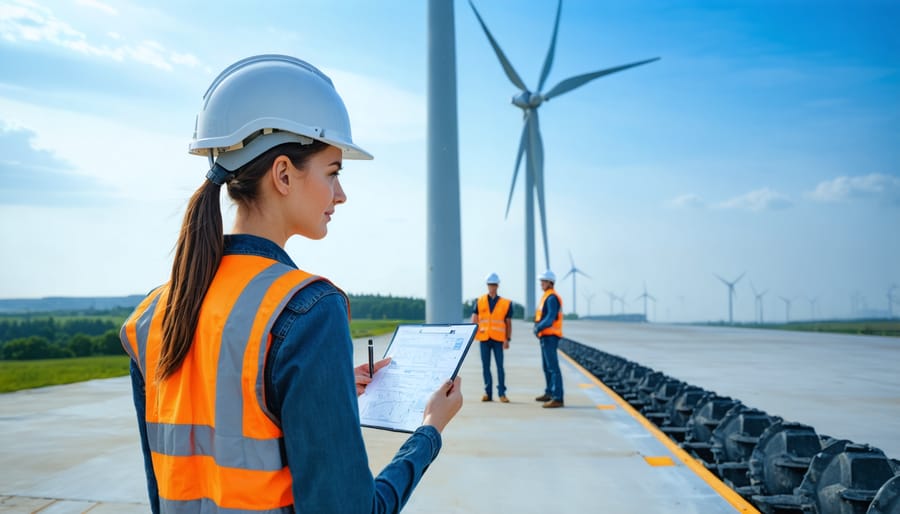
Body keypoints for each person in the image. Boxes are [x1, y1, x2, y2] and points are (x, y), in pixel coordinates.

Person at [119, 55, 463, 514]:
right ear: (283, 174)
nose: (341, 195)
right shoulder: (307, 309)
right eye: (333, 172)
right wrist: (428, 433)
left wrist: (324, 386)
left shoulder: (154, 314)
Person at [470, 272, 512, 402]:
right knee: (485, 366)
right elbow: (474, 319)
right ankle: (488, 393)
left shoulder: (505, 303)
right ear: (487, 285)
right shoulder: (480, 301)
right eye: (490, 285)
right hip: (484, 339)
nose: (492, 287)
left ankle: (502, 394)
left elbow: (508, 323)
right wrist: (471, 335)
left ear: (497, 286)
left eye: (494, 285)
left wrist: (507, 339)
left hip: (498, 339)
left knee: (500, 367)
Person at [533, 269, 564, 408]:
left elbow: (550, 318)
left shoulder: (551, 298)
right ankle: (549, 393)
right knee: (546, 367)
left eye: (543, 281)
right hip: (545, 336)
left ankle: (558, 397)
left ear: (550, 283)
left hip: (550, 336)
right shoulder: (547, 296)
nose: (541, 284)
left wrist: (538, 327)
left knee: (553, 367)